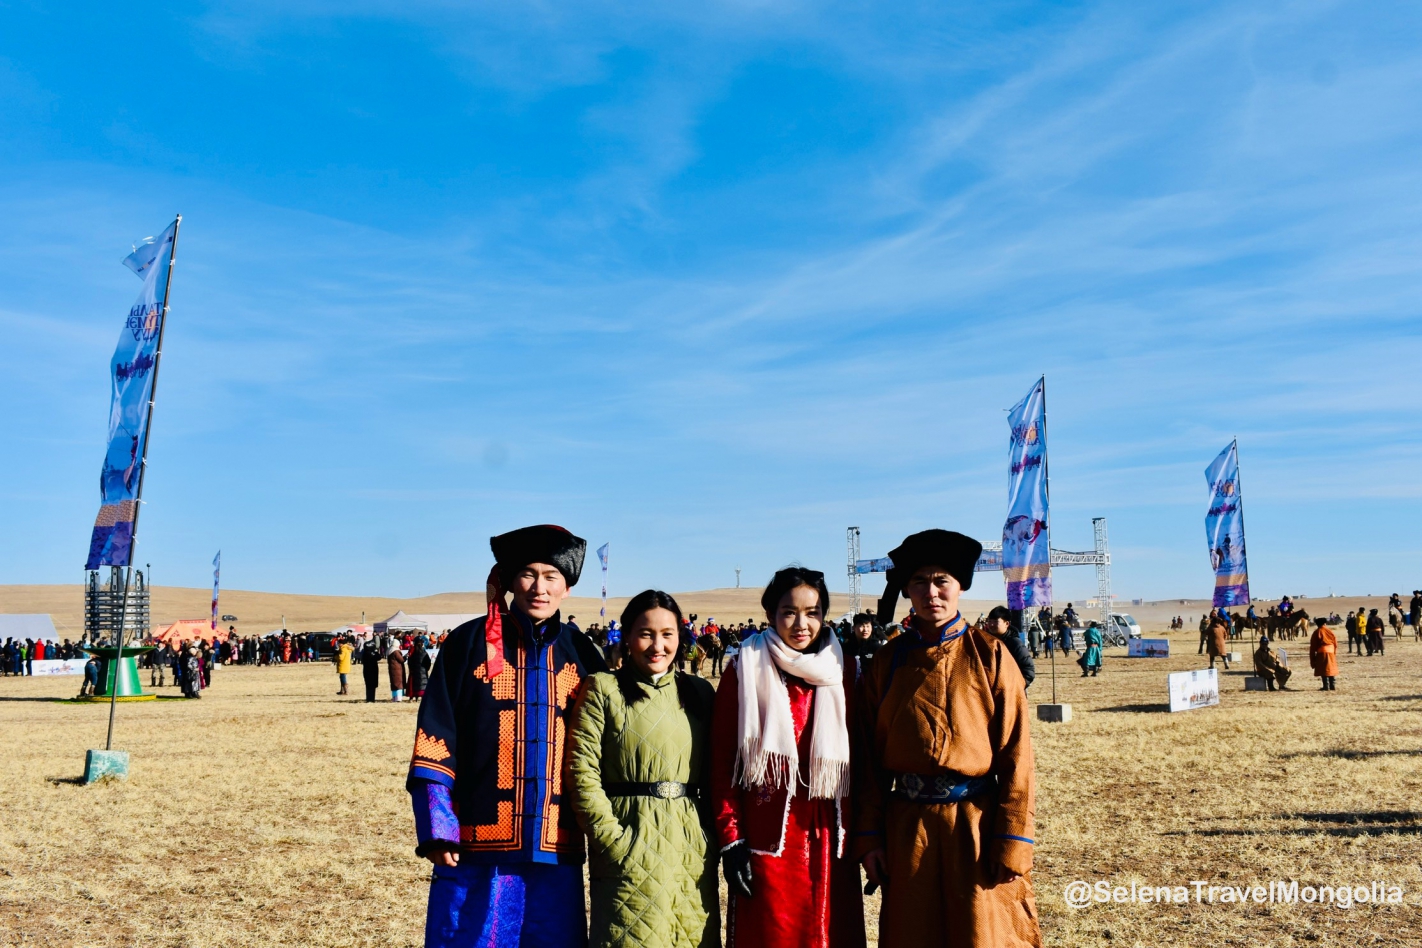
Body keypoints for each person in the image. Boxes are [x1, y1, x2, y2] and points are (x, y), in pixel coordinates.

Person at [408, 524, 607, 948]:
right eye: (529, 574)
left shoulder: (584, 654)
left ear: (567, 588)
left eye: (552, 576)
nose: (540, 587)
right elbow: (435, 735)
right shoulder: (466, 644)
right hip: (476, 842)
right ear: (509, 579)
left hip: (557, 843)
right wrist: (437, 825)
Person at [856, 530, 1039, 947]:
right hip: (907, 830)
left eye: (942, 581)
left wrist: (1012, 839)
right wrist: (869, 837)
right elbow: (866, 758)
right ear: (906, 589)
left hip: (975, 825)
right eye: (920, 581)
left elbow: (1017, 754)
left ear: (960, 587)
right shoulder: (887, 661)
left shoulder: (990, 654)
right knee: (912, 933)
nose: (931, 593)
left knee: (979, 933)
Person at [710, 567, 864, 948]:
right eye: (788, 612)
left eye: (812, 612)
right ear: (770, 615)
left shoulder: (848, 672)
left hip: (831, 834)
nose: (801, 623)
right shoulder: (744, 669)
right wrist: (732, 839)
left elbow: (865, 759)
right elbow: (722, 761)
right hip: (770, 838)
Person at [567, 590, 718, 948]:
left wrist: (708, 835)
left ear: (680, 638)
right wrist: (612, 840)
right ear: (628, 636)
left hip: (691, 845)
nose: (657, 645)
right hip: (629, 836)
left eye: (667, 634)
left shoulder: (699, 692)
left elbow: (718, 771)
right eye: (646, 633)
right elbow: (582, 770)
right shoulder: (604, 688)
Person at [984, 606, 1035, 688]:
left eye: (996, 621)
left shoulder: (1015, 643)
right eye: (990, 621)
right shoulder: (985, 642)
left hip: (1010, 692)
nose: (991, 624)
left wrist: (1017, 688)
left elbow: (1028, 670)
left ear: (1006, 624)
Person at [1310, 616, 1338, 691]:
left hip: (1322, 652)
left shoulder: (1317, 632)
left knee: (1324, 669)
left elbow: (1313, 646)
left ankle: (1326, 686)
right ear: (1325, 623)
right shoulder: (1330, 631)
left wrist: (1313, 658)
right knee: (1331, 668)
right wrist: (1334, 652)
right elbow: (1335, 643)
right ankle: (1332, 685)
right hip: (1331, 651)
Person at [360, 636, 381, 703]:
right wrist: (376, 652)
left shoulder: (364, 653)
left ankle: (369, 698)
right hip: (373, 670)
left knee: (368, 685)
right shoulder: (372, 653)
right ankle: (371, 699)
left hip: (367, 670)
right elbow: (379, 657)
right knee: (372, 685)